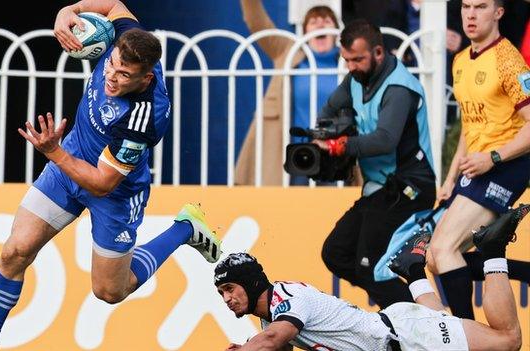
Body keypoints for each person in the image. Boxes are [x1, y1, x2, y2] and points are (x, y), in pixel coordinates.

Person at [0, 1, 222, 350]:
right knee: (15, 252)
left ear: (146, 77)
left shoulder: (146, 116)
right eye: (111, 65)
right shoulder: (128, 37)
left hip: (115, 193)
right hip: (70, 159)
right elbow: (114, 4)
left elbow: (103, 182)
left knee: (110, 291)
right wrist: (67, 11)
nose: (111, 78)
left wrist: (54, 152)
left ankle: (185, 229)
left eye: (123, 75)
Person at [214, 204, 528, 350]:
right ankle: (413, 271)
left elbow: (272, 340)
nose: (227, 299)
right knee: (437, 323)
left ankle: (492, 252)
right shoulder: (271, 318)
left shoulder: (286, 301)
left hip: (407, 337)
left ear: (253, 282)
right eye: (221, 293)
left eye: (230, 288)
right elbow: (274, 346)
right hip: (404, 334)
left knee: (508, 340)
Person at [314, 19, 436, 308]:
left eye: (358, 59)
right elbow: (327, 114)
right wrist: (332, 129)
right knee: (335, 253)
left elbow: (385, 140)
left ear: (378, 53)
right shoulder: (355, 79)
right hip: (380, 190)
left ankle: (415, 327)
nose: (351, 67)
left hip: (409, 188)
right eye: (346, 60)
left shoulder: (399, 87)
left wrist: (341, 144)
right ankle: (408, 314)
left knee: (370, 267)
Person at [427, 0, 530, 320]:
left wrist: (493, 157)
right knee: (433, 257)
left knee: (443, 250)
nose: (471, 15)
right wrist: (450, 178)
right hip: (477, 166)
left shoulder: (508, 60)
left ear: (498, 13)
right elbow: (469, 127)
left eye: (481, 7)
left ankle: (467, 336)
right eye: (466, 7)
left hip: (507, 164)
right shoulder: (460, 61)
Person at [234, 1, 342, 186]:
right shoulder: (287, 51)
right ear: (305, 32)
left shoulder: (348, 62)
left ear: (336, 31)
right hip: (295, 154)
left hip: (335, 155)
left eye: (326, 21)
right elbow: (257, 23)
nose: (320, 25)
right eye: (314, 21)